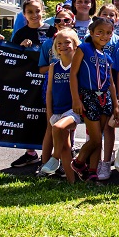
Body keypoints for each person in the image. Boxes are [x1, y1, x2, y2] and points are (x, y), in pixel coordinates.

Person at [69, 16, 119, 182]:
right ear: (91, 32)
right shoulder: (83, 49)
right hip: (89, 96)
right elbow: (73, 75)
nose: (104, 36)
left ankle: (92, 171)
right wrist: (76, 99)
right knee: (96, 137)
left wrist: (116, 104)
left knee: (99, 139)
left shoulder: (107, 56)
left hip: (105, 99)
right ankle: (78, 162)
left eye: (108, 33)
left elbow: (111, 82)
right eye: (100, 32)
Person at [9, 0, 51, 168]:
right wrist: (21, 46)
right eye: (30, 12)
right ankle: (30, 153)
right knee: (29, 115)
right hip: (27, 81)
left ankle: (49, 155)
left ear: (43, 11)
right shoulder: (20, 33)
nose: (34, 15)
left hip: (48, 80)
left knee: (47, 117)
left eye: (37, 11)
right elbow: (12, 56)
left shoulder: (52, 31)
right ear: (24, 14)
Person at [41, 28, 82, 181]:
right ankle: (71, 182)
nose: (63, 46)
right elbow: (49, 91)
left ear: (75, 45)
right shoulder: (54, 67)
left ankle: (54, 158)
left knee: (59, 128)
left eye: (67, 42)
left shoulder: (79, 66)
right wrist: (49, 112)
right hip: (57, 110)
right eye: (59, 43)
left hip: (72, 111)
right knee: (65, 146)